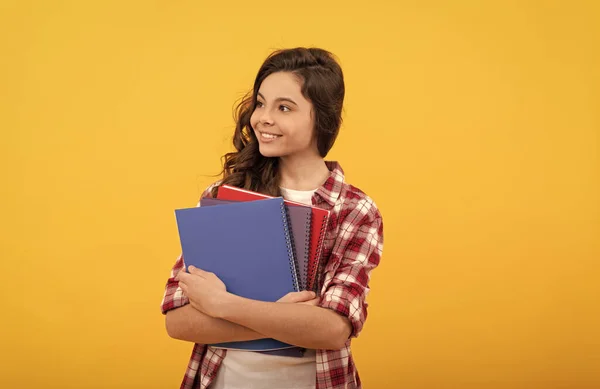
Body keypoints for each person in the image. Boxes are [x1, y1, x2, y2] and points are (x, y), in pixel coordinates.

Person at [161, 47, 384, 389]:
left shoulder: (354, 209)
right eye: (261, 103)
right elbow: (177, 320)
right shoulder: (223, 195)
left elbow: (334, 329)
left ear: (322, 119)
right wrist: (290, 320)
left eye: (284, 107)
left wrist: (222, 304)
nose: (263, 117)